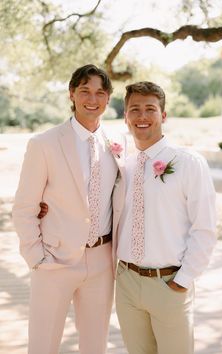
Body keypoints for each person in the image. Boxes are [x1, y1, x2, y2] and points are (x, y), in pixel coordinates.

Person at [12, 64, 125, 354]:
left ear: (108, 98)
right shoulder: (44, 144)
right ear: (71, 94)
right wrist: (36, 257)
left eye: (100, 92)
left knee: (94, 345)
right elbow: (24, 207)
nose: (92, 98)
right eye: (85, 91)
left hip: (102, 261)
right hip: (54, 259)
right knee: (43, 344)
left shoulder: (118, 143)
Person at [114, 81, 217, 354]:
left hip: (169, 283)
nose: (142, 116)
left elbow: (204, 228)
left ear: (164, 116)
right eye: (134, 109)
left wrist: (183, 280)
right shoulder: (124, 167)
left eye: (151, 109)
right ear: (126, 117)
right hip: (126, 282)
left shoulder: (188, 163)